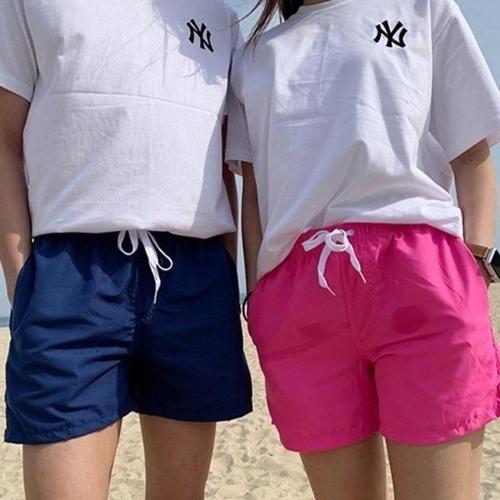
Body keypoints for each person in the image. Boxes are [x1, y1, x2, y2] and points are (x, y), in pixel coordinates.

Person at [226, 0, 500, 498]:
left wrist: (476, 263)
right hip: (298, 292)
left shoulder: (422, 9)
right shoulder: (256, 54)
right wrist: (259, 294)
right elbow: (255, 191)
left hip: (420, 271)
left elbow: (471, 152)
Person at [0, 1, 252, 498]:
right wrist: (20, 275)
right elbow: (4, 138)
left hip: (193, 273)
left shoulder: (222, 16)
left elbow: (220, 158)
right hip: (69, 272)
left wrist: (226, 265)